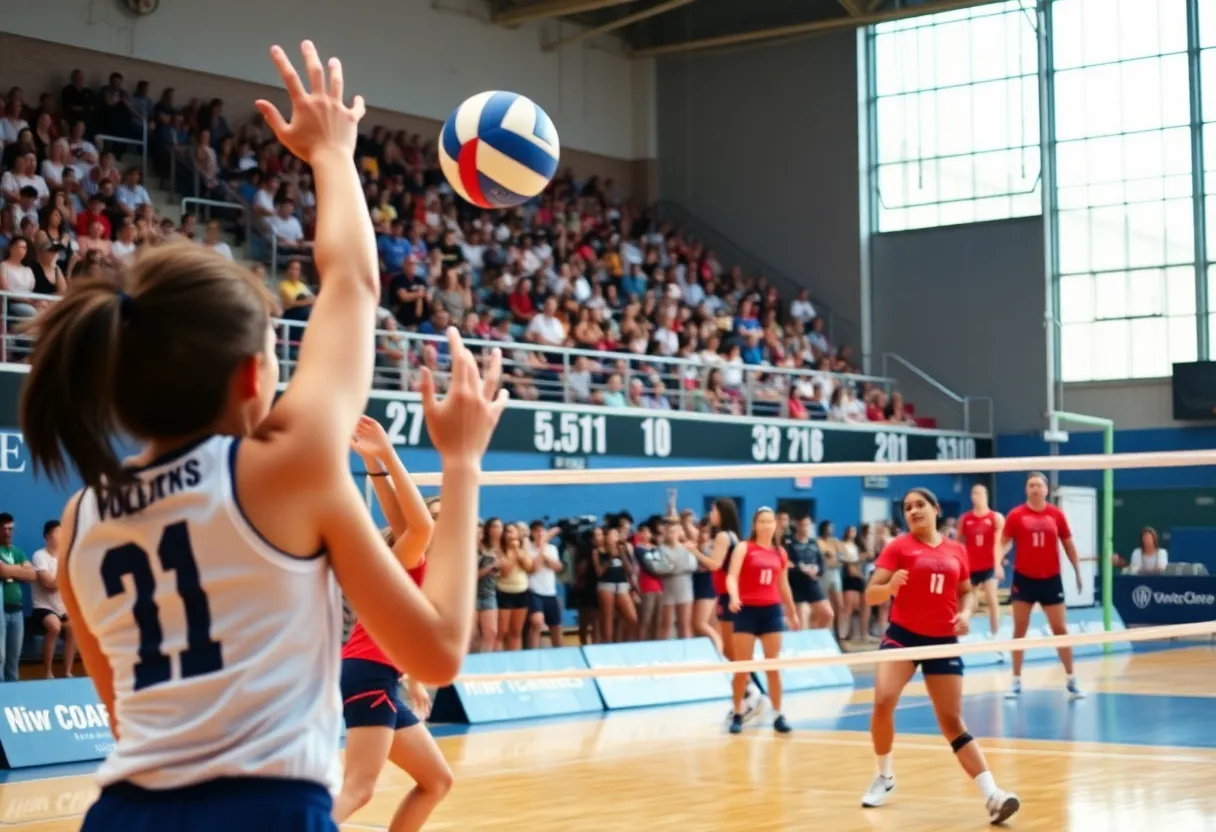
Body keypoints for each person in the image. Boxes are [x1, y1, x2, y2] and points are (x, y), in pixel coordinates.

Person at [20, 42, 505, 831]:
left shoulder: (78, 519)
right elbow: (441, 651)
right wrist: (461, 462)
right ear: (253, 378)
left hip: (123, 814)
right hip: (266, 810)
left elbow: (121, 714)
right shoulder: (288, 468)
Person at [863, 488, 1020, 825]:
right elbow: (870, 595)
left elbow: (967, 593)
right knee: (883, 700)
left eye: (920, 505)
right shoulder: (898, 547)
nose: (913, 511)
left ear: (935, 509)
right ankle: (885, 776)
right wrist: (889, 588)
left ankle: (993, 795)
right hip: (903, 637)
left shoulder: (956, 550)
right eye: (907, 508)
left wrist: (965, 614)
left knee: (951, 722)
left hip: (943, 640)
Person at [334, 416, 452, 831]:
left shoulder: (416, 560)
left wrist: (375, 466)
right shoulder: (408, 557)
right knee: (358, 789)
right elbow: (417, 523)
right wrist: (386, 453)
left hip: (379, 676)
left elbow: (407, 520)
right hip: (369, 674)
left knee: (436, 780)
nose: (438, 521)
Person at [1001, 472, 1084, 701]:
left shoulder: (1056, 515)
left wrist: (1077, 572)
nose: (1035, 489)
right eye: (1031, 485)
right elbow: (1004, 544)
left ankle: (1071, 679)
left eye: (1039, 485)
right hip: (1024, 580)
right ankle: (1016, 680)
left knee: (1060, 630)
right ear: (1026, 490)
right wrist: (997, 563)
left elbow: (1068, 545)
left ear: (1046, 490)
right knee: (1019, 631)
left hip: (1050, 579)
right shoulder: (1016, 515)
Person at [725, 506, 798, 735]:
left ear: (776, 525)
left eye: (770, 521)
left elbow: (783, 585)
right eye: (762, 521)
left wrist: (792, 612)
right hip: (746, 611)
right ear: (755, 525)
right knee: (742, 669)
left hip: (771, 611)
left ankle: (778, 714)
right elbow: (731, 576)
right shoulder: (744, 547)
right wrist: (734, 596)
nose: (767, 525)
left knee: (773, 666)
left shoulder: (780, 553)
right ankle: (738, 713)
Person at [704, 498, 763, 722]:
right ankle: (749, 688)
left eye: (713, 510)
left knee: (731, 651)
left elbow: (714, 565)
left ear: (721, 512)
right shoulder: (732, 536)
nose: (710, 513)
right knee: (730, 650)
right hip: (727, 595)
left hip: (728, 596)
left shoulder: (723, 536)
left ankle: (750, 691)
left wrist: (693, 551)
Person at [957, 484, 1007, 642]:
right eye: (973, 493)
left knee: (992, 599)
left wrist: (998, 564)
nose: (976, 496)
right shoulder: (965, 519)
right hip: (970, 567)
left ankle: (995, 634)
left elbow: (1001, 543)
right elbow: (959, 544)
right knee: (966, 602)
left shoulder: (995, 518)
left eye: (979, 493)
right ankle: (960, 634)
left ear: (986, 495)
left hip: (989, 566)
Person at [31, 519, 77, 679]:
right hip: (43, 606)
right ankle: (48, 672)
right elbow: (48, 584)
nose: (61, 536)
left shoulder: (66, 557)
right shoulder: (39, 556)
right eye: (57, 532)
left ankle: (67, 671)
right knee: (55, 627)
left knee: (74, 628)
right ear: (47, 536)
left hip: (62, 607)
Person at [784, 515, 833, 630]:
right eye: (803, 524)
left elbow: (820, 560)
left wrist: (818, 571)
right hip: (797, 584)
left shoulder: (813, 542)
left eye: (808, 524)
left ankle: (816, 637)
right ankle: (803, 644)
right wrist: (801, 569)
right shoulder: (789, 542)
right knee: (802, 618)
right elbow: (787, 564)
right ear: (797, 526)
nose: (806, 527)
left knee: (828, 614)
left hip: (812, 583)